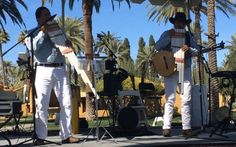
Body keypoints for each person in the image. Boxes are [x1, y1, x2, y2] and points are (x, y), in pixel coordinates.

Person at [25, 6, 80, 145]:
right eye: (45, 15)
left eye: (49, 14)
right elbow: (34, 48)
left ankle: (66, 135)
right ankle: (41, 137)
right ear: (38, 18)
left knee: (66, 102)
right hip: (42, 70)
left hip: (60, 69)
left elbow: (66, 48)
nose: (48, 17)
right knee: (41, 104)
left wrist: (69, 45)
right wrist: (42, 33)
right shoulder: (31, 33)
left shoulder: (59, 32)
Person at [155, 12, 198, 137]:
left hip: (183, 69)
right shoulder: (167, 33)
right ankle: (166, 127)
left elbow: (197, 50)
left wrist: (189, 49)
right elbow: (157, 46)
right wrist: (169, 37)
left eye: (182, 22)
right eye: (178, 22)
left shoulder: (189, 35)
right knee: (170, 98)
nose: (180, 24)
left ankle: (186, 127)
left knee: (186, 98)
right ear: (174, 22)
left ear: (185, 24)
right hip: (169, 69)